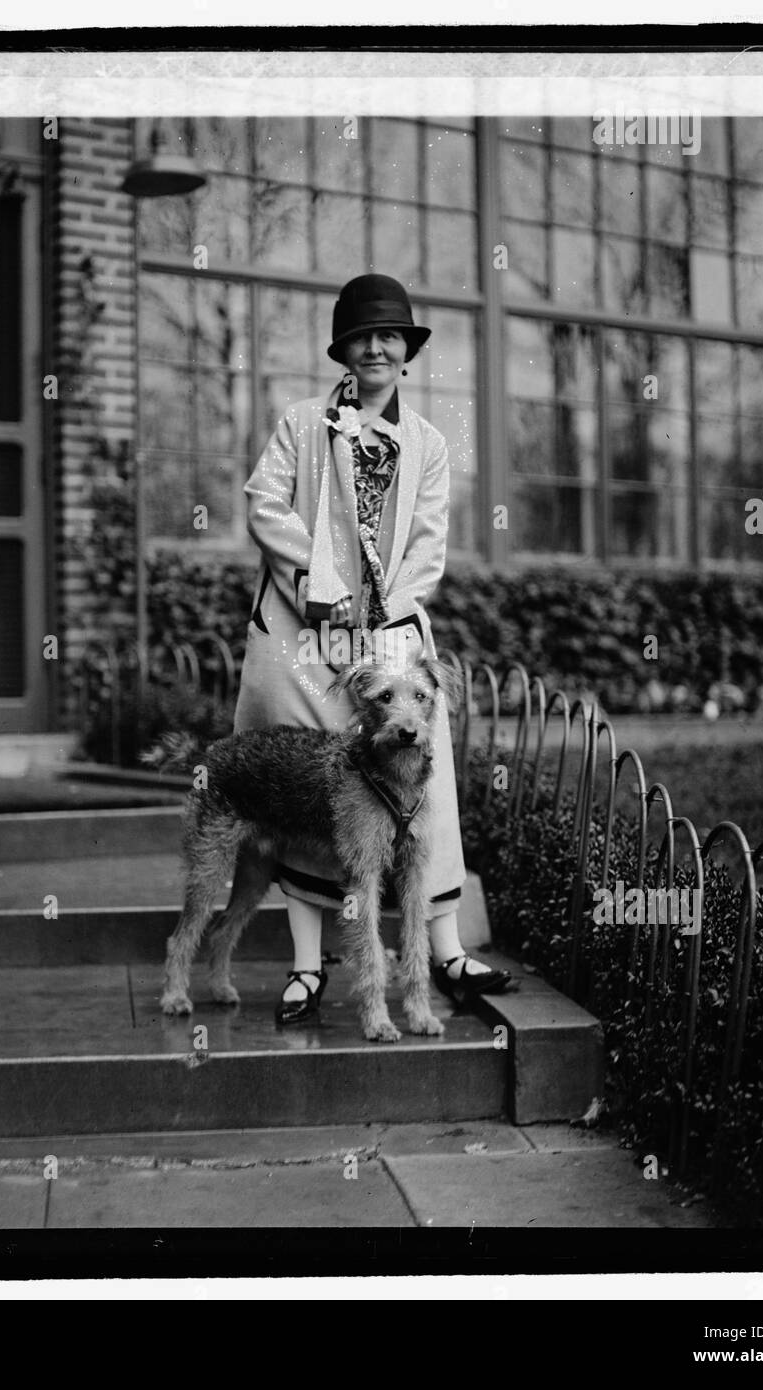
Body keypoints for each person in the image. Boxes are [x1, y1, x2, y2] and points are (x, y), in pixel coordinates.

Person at [234, 273, 511, 1025]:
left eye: (391, 336)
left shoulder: (425, 443)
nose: (377, 348)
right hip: (299, 633)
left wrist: (383, 624)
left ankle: (443, 949)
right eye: (363, 337)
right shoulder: (300, 424)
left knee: (423, 761)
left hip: (383, 637)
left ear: (407, 350)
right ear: (344, 351)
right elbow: (264, 504)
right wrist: (320, 590)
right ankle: (305, 966)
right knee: (305, 782)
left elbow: (426, 544)